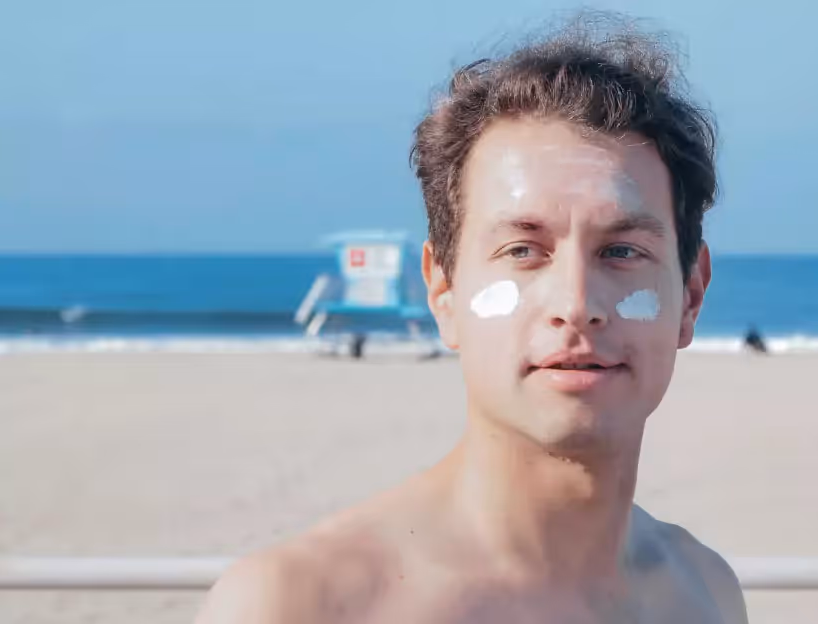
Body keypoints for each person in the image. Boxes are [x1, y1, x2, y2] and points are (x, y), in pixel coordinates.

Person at [195, 13, 747, 624]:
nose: (575, 303)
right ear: (444, 291)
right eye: (522, 251)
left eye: (621, 251)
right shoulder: (299, 604)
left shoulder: (705, 594)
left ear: (690, 295)